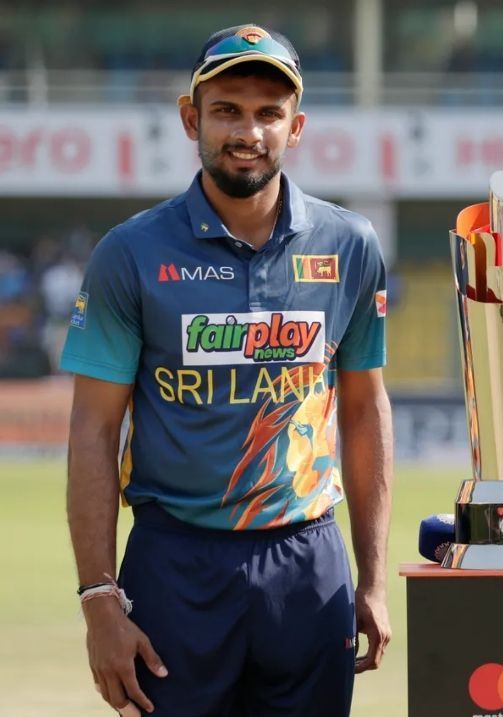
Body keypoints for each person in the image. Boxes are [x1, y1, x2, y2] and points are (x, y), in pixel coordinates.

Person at [61, 25, 393, 717]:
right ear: (192, 118)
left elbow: (364, 409)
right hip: (173, 563)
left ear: (295, 127)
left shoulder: (350, 245)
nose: (249, 131)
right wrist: (98, 601)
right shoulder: (130, 253)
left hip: (307, 563)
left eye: (269, 113)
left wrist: (373, 578)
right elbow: (95, 428)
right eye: (227, 111)